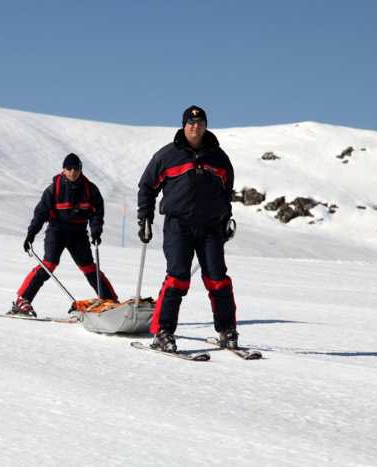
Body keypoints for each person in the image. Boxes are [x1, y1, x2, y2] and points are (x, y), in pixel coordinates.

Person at [137, 105, 237, 352]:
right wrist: (145, 218)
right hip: (178, 225)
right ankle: (163, 332)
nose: (196, 126)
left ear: (205, 126)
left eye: (201, 122)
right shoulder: (168, 155)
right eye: (191, 123)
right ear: (184, 125)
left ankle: (227, 331)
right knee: (178, 277)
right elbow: (147, 187)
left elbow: (226, 194)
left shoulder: (219, 158)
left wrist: (226, 220)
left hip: (211, 227)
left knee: (218, 279)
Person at [12, 153, 118, 316]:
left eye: (76, 169)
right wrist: (31, 234)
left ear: (81, 170)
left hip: (78, 232)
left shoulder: (90, 189)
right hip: (57, 230)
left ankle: (110, 300)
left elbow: (97, 212)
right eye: (69, 169)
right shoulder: (54, 189)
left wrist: (96, 231)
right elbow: (40, 213)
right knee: (49, 264)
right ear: (63, 170)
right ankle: (22, 300)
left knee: (89, 267)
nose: (73, 172)